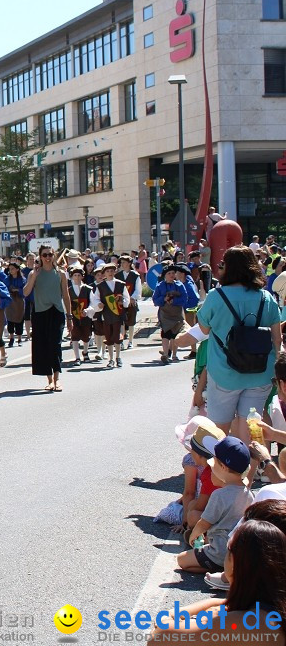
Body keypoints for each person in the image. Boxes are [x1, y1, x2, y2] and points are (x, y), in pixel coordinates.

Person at [196, 246, 282, 439]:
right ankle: (250, 467)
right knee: (250, 431)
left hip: (224, 372)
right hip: (260, 372)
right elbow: (278, 339)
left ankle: (221, 468)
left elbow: (203, 329)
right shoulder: (266, 298)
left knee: (218, 432)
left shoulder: (216, 297)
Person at [155, 519, 286, 642]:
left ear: (235, 563)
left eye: (229, 548)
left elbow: (158, 638)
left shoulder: (242, 622)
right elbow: (224, 603)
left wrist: (168, 617)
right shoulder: (272, 605)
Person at [178, 435, 254, 574]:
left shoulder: (219, 495)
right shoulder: (248, 493)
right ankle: (226, 568)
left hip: (219, 550)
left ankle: (219, 566)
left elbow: (204, 523)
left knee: (182, 560)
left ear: (223, 467)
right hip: (236, 551)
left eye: (214, 465)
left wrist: (193, 537)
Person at [23, 244, 72, 392]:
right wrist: (34, 276)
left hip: (56, 312)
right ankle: (49, 380)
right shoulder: (34, 274)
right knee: (43, 347)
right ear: (40, 257)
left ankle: (57, 380)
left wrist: (69, 317)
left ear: (54, 255)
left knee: (55, 345)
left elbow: (66, 295)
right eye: (44, 255)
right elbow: (25, 293)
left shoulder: (61, 273)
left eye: (50, 254)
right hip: (40, 313)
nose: (48, 258)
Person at [89, 263, 132, 369]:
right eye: (107, 271)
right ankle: (111, 358)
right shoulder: (100, 286)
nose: (110, 273)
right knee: (108, 336)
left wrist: (123, 302)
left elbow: (127, 298)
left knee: (117, 336)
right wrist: (99, 304)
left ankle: (118, 357)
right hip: (106, 314)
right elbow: (95, 299)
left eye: (112, 271)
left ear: (115, 272)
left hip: (118, 314)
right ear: (104, 273)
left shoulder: (121, 284)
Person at [154, 264, 196, 364]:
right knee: (165, 334)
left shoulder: (179, 285)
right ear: (165, 275)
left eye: (173, 273)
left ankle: (174, 355)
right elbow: (155, 300)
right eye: (169, 273)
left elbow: (184, 299)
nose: (172, 275)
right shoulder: (160, 286)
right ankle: (165, 354)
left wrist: (174, 301)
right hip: (165, 314)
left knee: (175, 334)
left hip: (177, 314)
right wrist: (163, 299)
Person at [67, 265, 92, 364]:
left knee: (86, 336)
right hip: (74, 316)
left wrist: (88, 310)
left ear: (82, 276)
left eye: (79, 275)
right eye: (75, 275)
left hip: (85, 316)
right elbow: (65, 303)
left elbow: (92, 302)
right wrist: (68, 314)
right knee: (75, 336)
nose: (77, 277)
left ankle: (85, 352)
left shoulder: (88, 289)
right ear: (72, 277)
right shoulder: (68, 290)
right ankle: (77, 357)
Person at [118, 254, 142, 349]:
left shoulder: (135, 275)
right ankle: (122, 340)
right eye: (121, 262)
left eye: (124, 262)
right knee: (122, 322)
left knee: (131, 322)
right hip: (121, 302)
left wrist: (132, 298)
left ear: (129, 263)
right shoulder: (118, 275)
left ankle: (130, 341)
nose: (122, 264)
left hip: (132, 302)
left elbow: (138, 289)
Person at [4, 262, 27, 346]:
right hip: (10, 302)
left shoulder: (23, 279)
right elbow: (5, 288)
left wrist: (17, 290)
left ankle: (19, 338)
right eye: (10, 269)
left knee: (19, 319)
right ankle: (11, 338)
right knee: (10, 319)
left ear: (17, 269)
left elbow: (25, 290)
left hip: (19, 302)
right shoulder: (7, 279)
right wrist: (11, 290)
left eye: (12, 268)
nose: (11, 270)